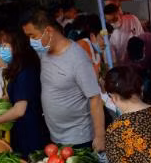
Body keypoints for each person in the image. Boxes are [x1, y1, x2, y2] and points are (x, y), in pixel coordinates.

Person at [21, 9, 106, 152]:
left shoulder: (77, 58)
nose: (31, 41)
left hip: (79, 139)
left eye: (32, 36)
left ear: (48, 31)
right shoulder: (44, 52)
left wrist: (100, 136)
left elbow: (95, 98)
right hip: (55, 136)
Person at [0, 26, 50, 159]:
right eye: (2, 45)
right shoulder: (18, 68)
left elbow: (19, 110)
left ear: (17, 45)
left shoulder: (26, 71)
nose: (2, 49)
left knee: (32, 161)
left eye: (5, 45)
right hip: (21, 129)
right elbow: (15, 95)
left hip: (31, 130)